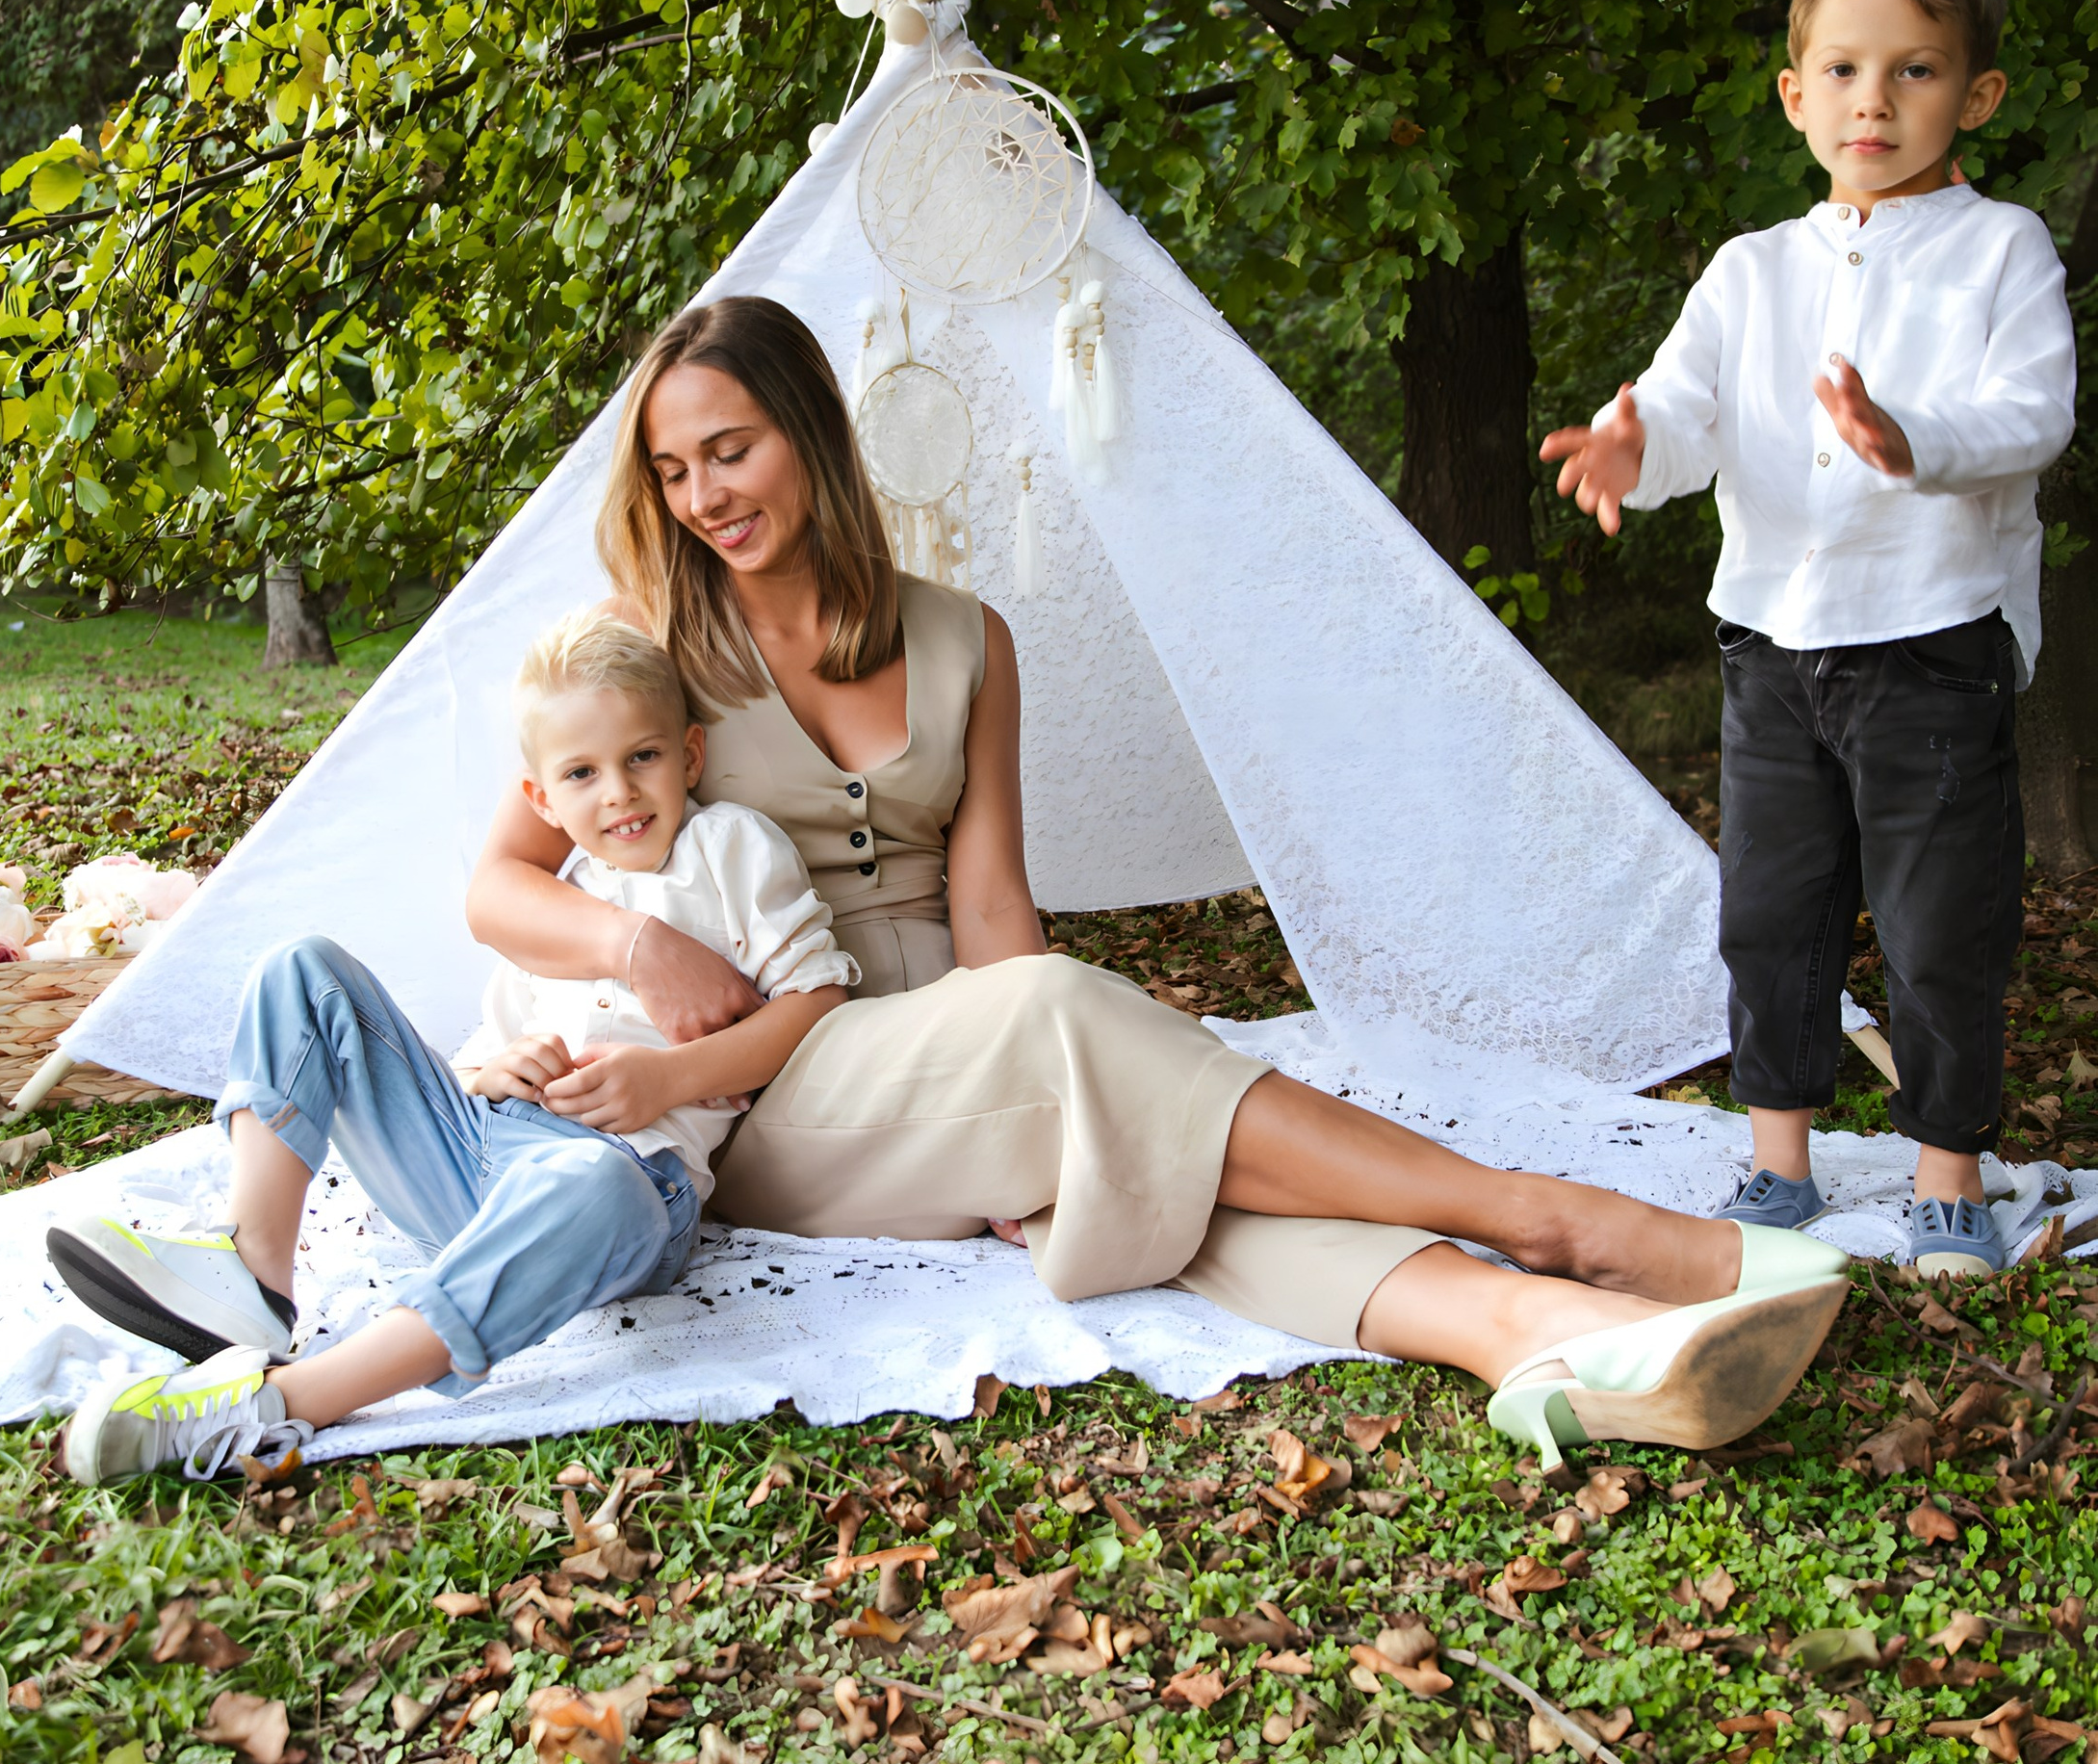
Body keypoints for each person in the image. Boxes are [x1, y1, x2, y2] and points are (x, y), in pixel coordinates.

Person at [466, 296, 1849, 1472]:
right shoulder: (647, 653)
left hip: (967, 1048)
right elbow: (498, 883)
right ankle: (1554, 1219)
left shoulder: (967, 640)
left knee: (1137, 1150)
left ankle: (1517, 1335)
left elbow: (993, 904)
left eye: (732, 449)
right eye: (673, 470)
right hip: (775, 1092)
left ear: (810, 435)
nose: (706, 495)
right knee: (1073, 1037)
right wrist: (636, 953)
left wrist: (1017, 1114)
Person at [1541, 0, 2075, 1283]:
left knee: (1939, 920)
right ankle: (1777, 1161)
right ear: (1795, 93)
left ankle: (1948, 1174)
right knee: (1770, 912)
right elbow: (1682, 404)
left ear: (1977, 92)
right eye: (1842, 70)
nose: (1874, 100)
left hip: (1933, 645)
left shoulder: (2000, 248)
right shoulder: (1751, 270)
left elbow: (2035, 411)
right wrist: (1632, 448)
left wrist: (1915, 439)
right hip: (1773, 651)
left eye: (1914, 70)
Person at [52, 611, 855, 1480]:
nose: (618, 792)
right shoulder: (563, 897)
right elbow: (485, 1048)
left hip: (626, 1188)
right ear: (541, 800)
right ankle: (254, 1273)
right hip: (480, 1157)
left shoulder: (729, 847)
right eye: (582, 772)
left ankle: (279, 1402)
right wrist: (489, 1072)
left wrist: (670, 1078)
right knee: (302, 970)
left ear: (690, 755)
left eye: (643, 757)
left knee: (595, 1181)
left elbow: (820, 999)